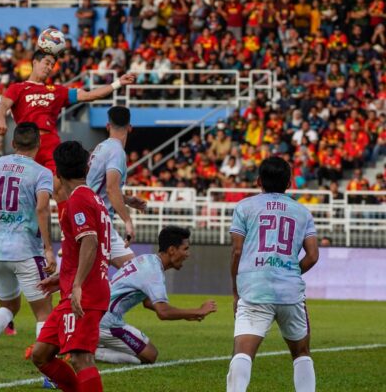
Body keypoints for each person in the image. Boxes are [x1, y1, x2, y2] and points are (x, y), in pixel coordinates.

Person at [0, 49, 135, 222]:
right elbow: (3, 106)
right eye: (46, 63)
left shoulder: (56, 90)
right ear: (35, 62)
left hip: (50, 145)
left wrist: (117, 83)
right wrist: (1, 119)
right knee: (24, 191)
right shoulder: (17, 88)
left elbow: (90, 95)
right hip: (27, 144)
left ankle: (66, 232)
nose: (49, 68)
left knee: (59, 187)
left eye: (52, 65)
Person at [0, 122, 56, 382]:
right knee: (44, 312)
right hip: (27, 250)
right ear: (38, 144)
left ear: (13, 143)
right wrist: (49, 248)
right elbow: (42, 209)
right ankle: (48, 374)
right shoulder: (42, 173)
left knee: (9, 306)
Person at [227, 156, 320, 392]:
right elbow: (312, 256)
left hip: (254, 288)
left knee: (243, 352)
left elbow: (237, 251)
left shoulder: (244, 207)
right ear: (289, 183)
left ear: (259, 181)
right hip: (290, 293)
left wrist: (236, 291)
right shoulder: (303, 212)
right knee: (301, 352)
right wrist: (289, 271)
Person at [31, 141, 112, 392]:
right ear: (86, 168)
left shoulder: (78, 199)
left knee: (80, 358)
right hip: (77, 289)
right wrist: (62, 278)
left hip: (84, 293)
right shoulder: (92, 198)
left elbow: (90, 241)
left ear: (57, 173)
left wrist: (77, 284)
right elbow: (85, 248)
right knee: (41, 354)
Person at [96, 226, 217, 365]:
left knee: (145, 352)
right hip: (107, 321)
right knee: (150, 355)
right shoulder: (153, 272)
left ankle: (94, 343)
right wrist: (198, 311)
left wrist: (185, 314)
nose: (188, 254)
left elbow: (148, 302)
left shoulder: (147, 260)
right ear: (172, 250)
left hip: (98, 314)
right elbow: (163, 312)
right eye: (185, 249)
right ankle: (91, 352)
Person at [86, 106, 147, 268]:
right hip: (99, 221)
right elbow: (111, 188)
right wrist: (128, 221)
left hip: (89, 217)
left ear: (108, 126)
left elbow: (100, 186)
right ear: (130, 128)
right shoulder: (117, 151)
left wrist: (126, 200)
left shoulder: (100, 148)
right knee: (136, 272)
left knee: (87, 277)